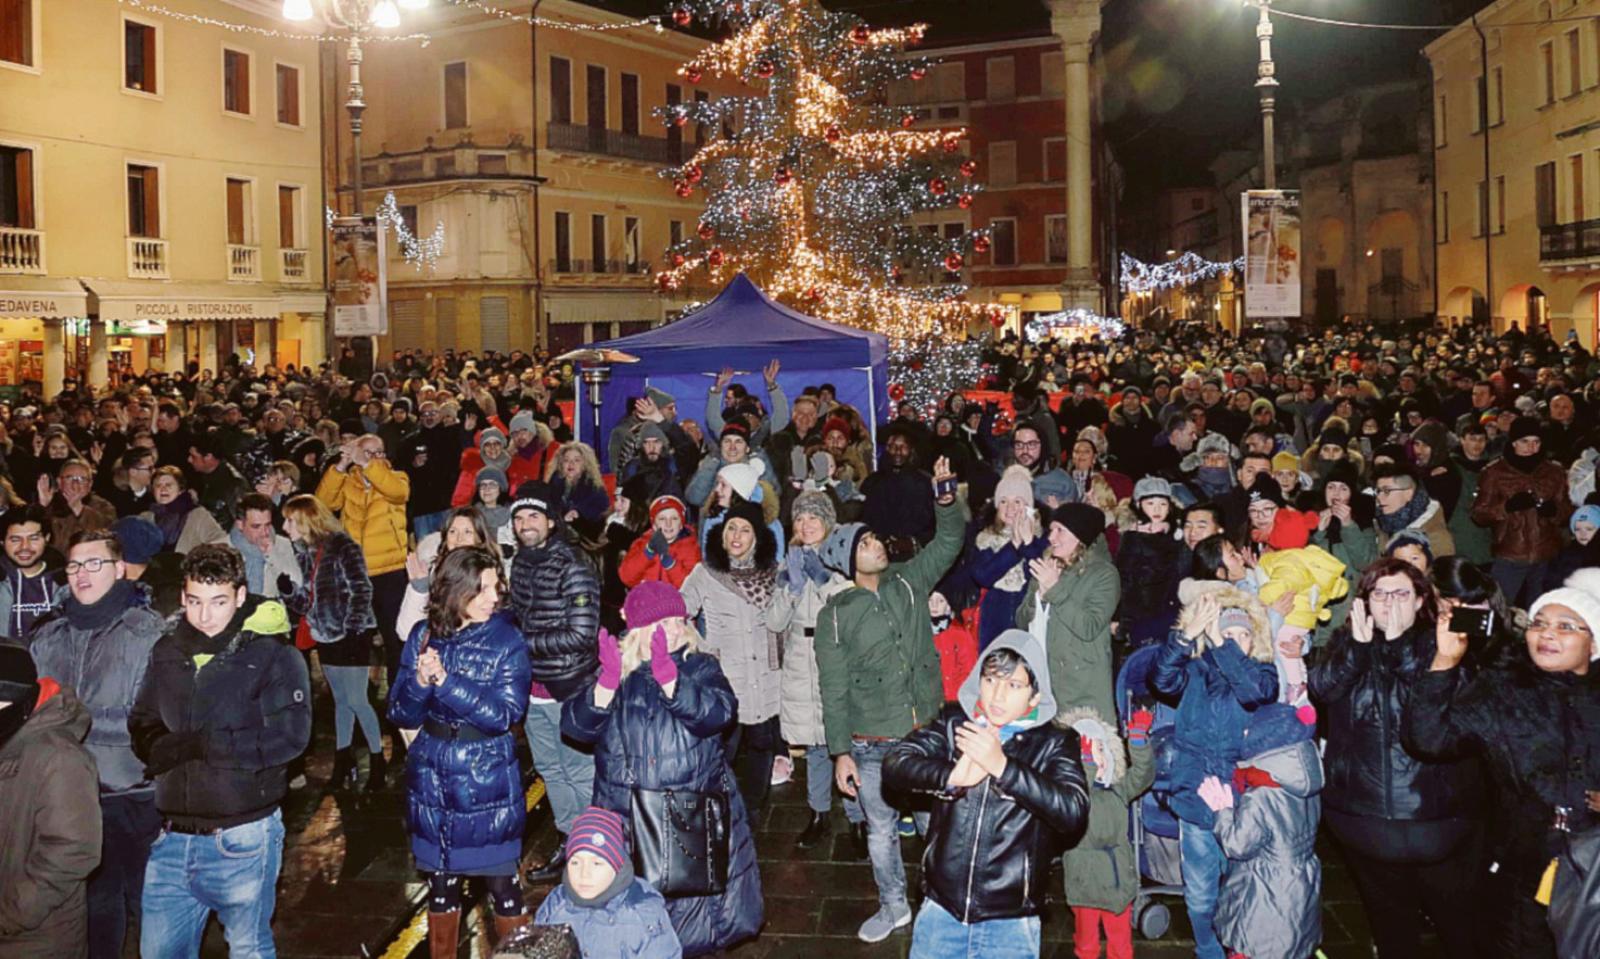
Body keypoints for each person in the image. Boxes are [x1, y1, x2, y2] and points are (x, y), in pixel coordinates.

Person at [1403, 568, 1600, 958]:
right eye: (1539, 623)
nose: (1547, 634)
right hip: (1521, 862)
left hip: (1594, 867)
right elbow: (1428, 739)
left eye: (1566, 626)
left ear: (1593, 644)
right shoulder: (1504, 689)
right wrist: (1444, 661)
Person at [561, 582, 764, 957]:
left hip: (689, 816)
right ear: (638, 629)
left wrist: (672, 680)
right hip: (626, 816)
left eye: (678, 620)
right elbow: (575, 728)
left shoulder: (700, 666)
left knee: (693, 923)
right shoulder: (615, 670)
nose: (673, 629)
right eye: (662, 622)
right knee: (633, 921)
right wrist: (605, 686)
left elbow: (718, 714)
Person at [130, 544, 311, 959]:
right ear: (182, 597)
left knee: (248, 948)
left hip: (242, 836)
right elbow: (141, 719)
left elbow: (289, 738)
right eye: (194, 601)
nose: (205, 615)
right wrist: (161, 748)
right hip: (172, 836)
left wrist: (203, 744)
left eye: (218, 602)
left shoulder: (274, 655)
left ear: (241, 597)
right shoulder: (167, 651)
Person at [814, 456, 963, 943]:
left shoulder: (908, 581)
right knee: (880, 830)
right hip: (871, 740)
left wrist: (945, 500)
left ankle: (946, 900)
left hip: (922, 734)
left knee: (934, 824)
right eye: (867, 543)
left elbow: (948, 542)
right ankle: (894, 905)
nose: (878, 546)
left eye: (876, 540)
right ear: (847, 558)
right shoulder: (836, 613)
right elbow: (832, 688)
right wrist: (840, 752)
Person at [1308, 558, 1485, 959]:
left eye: (1401, 593)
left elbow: (1439, 711)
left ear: (1422, 599)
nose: (1389, 603)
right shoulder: (1348, 641)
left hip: (1435, 821)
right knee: (1391, 929)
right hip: (1363, 818)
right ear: (1365, 601)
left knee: (1459, 927)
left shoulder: (1444, 642)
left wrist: (1399, 644)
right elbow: (1323, 688)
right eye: (1379, 593)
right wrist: (1357, 646)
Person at [883, 631, 1090, 959]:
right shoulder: (956, 725)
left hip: (1009, 922)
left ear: (1034, 697)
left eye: (1013, 685)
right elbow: (896, 763)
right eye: (991, 679)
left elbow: (1073, 809)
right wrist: (951, 776)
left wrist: (1004, 768)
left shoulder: (1053, 743)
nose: (997, 695)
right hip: (942, 911)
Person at [26, 528, 166, 959]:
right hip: (69, 797)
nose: (81, 574)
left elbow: (156, 719)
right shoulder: (48, 637)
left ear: (120, 569)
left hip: (134, 792)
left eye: (94, 563)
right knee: (93, 907)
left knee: (149, 904)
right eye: (73, 565)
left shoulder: (148, 633)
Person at [388, 546, 531, 956]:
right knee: (440, 886)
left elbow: (504, 714)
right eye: (482, 589)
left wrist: (447, 683)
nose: (493, 597)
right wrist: (418, 678)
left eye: (496, 587)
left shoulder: (508, 639)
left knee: (503, 885)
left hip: (486, 779)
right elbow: (400, 709)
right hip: (432, 778)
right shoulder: (423, 634)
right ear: (454, 591)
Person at [1153, 582, 1279, 959]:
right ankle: (1207, 948)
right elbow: (1160, 680)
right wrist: (1186, 637)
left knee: (1240, 882)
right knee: (1201, 886)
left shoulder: (1262, 673)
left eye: (1243, 634)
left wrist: (1223, 648)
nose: (1235, 641)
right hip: (1195, 798)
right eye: (1227, 633)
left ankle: (1239, 943)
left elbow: (1254, 692)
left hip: (1244, 804)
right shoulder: (1194, 673)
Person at [506, 480, 600, 882]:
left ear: (550, 520)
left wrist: (519, 644)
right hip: (533, 691)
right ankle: (570, 842)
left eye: (534, 516)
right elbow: (517, 611)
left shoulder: (574, 565)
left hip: (569, 688)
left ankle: (597, 847)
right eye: (520, 517)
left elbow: (581, 634)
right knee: (550, 770)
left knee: (579, 771)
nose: (526, 524)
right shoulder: (521, 563)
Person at [765, 490, 862, 854]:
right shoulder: (787, 561)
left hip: (832, 656)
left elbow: (849, 610)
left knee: (843, 743)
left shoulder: (841, 562)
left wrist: (822, 580)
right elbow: (774, 621)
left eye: (814, 518)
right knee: (815, 745)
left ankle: (857, 818)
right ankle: (819, 814)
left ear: (827, 522)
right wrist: (790, 587)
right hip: (799, 660)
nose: (807, 525)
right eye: (801, 518)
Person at [680, 497, 782, 815]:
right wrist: (703, 648)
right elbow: (679, 612)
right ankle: (719, 813)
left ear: (757, 537)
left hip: (766, 677)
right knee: (722, 751)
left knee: (762, 747)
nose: (736, 536)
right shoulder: (706, 572)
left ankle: (751, 813)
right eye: (731, 529)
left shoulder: (774, 573)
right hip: (725, 680)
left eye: (745, 530)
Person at [1197, 702, 1324, 959]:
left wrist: (1222, 811)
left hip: (1267, 893)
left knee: (1258, 948)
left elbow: (1237, 845)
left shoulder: (1261, 796)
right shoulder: (1305, 784)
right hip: (1301, 887)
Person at [0, 644, 102, 959]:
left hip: (37, 939)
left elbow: (73, 850)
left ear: (18, 699)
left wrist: (12, 914)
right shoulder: (8, 737)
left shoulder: (59, 757)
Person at [315, 431, 412, 758]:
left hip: (390, 574)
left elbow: (397, 493)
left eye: (379, 451)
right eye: (366, 451)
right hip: (355, 575)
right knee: (354, 648)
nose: (372, 457)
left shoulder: (395, 478)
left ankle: (401, 721)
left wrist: (367, 463)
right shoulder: (350, 482)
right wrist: (341, 465)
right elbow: (323, 506)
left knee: (397, 645)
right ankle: (358, 719)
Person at [279, 494, 384, 792]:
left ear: (305, 519)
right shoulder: (303, 552)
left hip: (351, 634)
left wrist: (352, 627)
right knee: (341, 702)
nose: (285, 526)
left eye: (290, 520)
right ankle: (343, 760)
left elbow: (362, 588)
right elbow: (308, 603)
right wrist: (289, 592)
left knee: (358, 700)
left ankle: (377, 761)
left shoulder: (342, 545)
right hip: (325, 635)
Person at [1060, 706, 1155, 959]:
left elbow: (1143, 776)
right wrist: (1086, 769)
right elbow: (1084, 804)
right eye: (1085, 752)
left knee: (1121, 945)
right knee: (1086, 945)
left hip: (1116, 881)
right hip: (1085, 882)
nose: (1096, 757)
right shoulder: (1071, 796)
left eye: (1100, 748)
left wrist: (1138, 741)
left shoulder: (1117, 789)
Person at [530, 806, 683, 959]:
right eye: (575, 863)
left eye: (597, 863)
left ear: (617, 866)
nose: (584, 874)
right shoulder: (556, 903)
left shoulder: (643, 915)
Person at [1017, 502, 1120, 721]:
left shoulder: (1103, 574)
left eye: (1060, 530)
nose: (1051, 538)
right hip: (1042, 680)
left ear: (1080, 536)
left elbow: (1089, 627)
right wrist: (1038, 597)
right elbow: (1021, 621)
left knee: (1088, 752)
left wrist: (1054, 589)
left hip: (1080, 687)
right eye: (1051, 530)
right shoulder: (1048, 566)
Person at [1473, 414, 1571, 606]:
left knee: (1543, 609)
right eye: (1524, 441)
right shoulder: (1494, 473)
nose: (1531, 447)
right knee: (1499, 608)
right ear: (1513, 443)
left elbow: (1566, 510)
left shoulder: (1554, 472)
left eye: (1536, 441)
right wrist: (1507, 507)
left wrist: (1554, 512)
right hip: (1510, 553)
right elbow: (1479, 514)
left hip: (1546, 552)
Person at [966, 465, 1048, 651]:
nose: (1010, 508)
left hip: (1029, 617)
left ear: (1028, 507)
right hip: (994, 618)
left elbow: (1040, 576)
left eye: (1017, 501)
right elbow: (983, 575)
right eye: (1004, 501)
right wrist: (1013, 547)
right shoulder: (986, 538)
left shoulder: (1043, 540)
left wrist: (1027, 544)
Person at [0, 505, 63, 640]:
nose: (24, 547)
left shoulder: (67, 583)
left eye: (34, 538)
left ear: (47, 538)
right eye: (15, 539)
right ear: (2, 541)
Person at [1371, 462, 1454, 559]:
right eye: (1378, 491)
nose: (1379, 497)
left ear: (1408, 493)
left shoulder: (1436, 538)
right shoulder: (1383, 526)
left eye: (1387, 491)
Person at [617, 495, 701, 589]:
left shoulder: (691, 548)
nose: (668, 524)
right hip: (645, 600)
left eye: (674, 519)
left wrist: (671, 565)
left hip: (675, 602)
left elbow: (692, 589)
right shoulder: (642, 543)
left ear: (681, 524)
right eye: (662, 519)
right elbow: (626, 577)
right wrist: (647, 553)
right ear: (654, 525)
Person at [144, 466, 229, 556]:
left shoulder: (198, 515)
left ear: (180, 489)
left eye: (168, 485)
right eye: (158, 485)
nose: (163, 489)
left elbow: (221, 541)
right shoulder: (145, 518)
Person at [228, 493, 300, 599]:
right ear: (240, 525)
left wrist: (272, 555)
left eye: (267, 524)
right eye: (256, 526)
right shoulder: (222, 548)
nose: (264, 532)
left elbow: (297, 583)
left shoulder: (281, 544)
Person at [41, 459, 116, 547]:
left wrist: (78, 508)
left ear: (90, 484)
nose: (75, 483)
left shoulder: (104, 507)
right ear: (59, 482)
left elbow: (105, 535)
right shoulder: (49, 504)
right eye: (69, 478)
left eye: (82, 479)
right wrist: (43, 508)